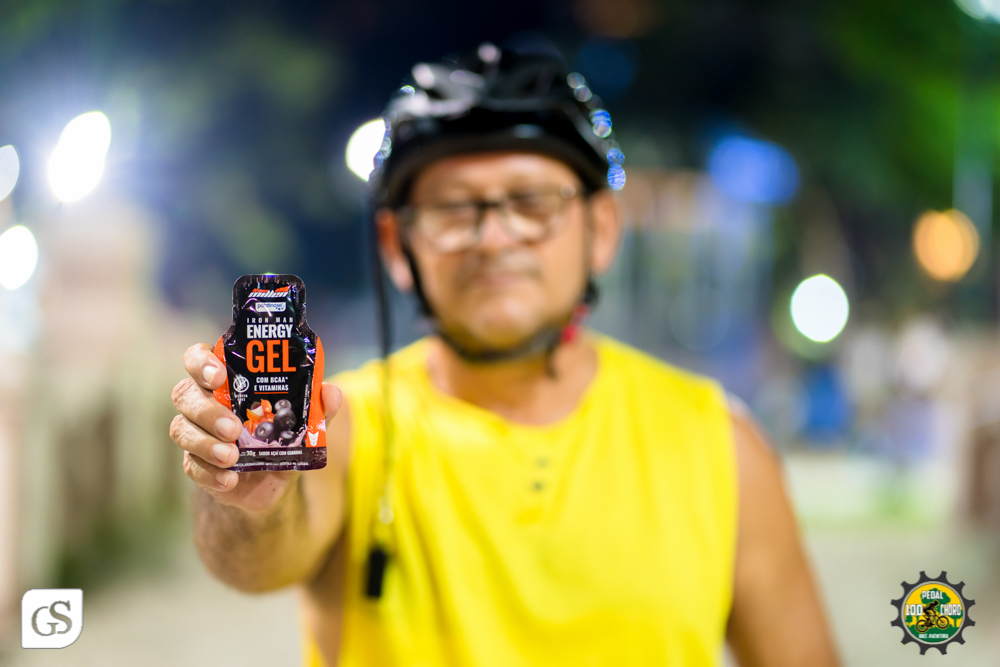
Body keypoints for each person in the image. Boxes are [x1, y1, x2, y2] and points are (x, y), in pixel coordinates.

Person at [169, 43, 840, 666]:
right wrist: (241, 489)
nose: (494, 236)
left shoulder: (721, 445)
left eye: (531, 201)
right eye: (454, 208)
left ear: (601, 228)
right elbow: (254, 561)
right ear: (398, 245)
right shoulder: (347, 422)